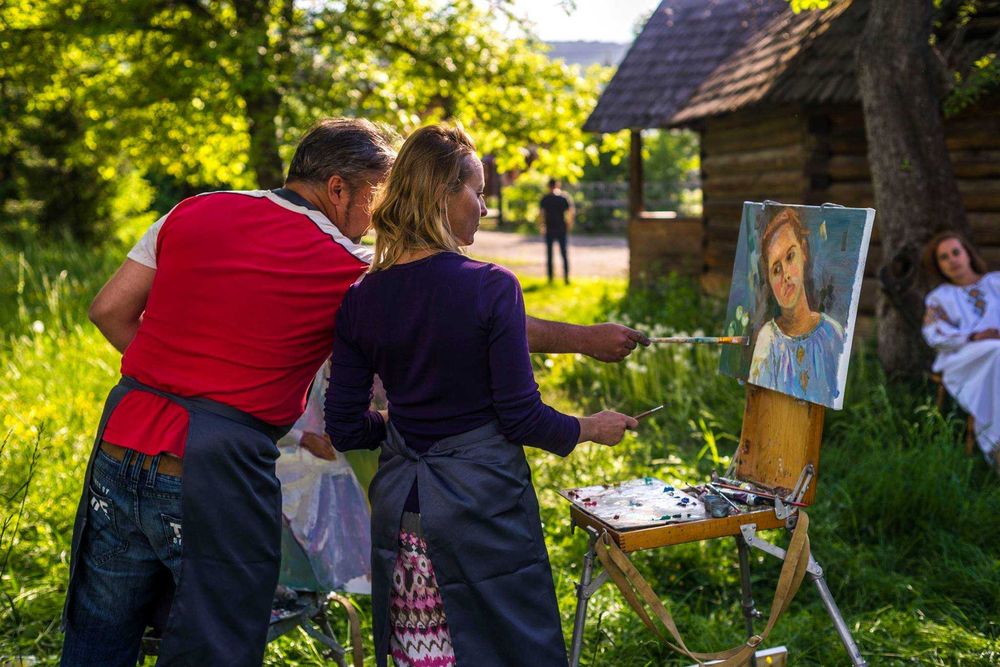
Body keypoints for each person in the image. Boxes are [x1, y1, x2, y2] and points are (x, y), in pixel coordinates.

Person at [68, 118, 648, 666]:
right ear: (339, 188)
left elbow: (109, 311)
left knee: (99, 628)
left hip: (122, 438)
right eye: (377, 193)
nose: (380, 215)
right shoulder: (347, 266)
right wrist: (582, 340)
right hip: (214, 463)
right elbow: (459, 309)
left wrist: (180, 377)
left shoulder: (193, 211)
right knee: (212, 640)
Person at [324, 125, 637, 667]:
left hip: (403, 512)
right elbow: (522, 418)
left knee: (425, 655)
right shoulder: (491, 286)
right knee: (509, 648)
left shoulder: (361, 298)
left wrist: (396, 429)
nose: (486, 209)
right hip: (481, 510)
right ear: (445, 191)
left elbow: (347, 428)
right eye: (479, 191)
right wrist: (590, 427)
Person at [748, 207, 845, 405]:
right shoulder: (768, 340)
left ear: (804, 252)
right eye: (776, 269)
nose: (786, 275)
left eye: (790, 256)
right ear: (769, 280)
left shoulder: (832, 333)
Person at [921, 231, 1000, 467]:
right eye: (944, 257)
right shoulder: (939, 298)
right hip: (963, 357)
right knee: (996, 352)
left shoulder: (996, 282)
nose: (952, 260)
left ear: (967, 253)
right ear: (939, 266)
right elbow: (934, 334)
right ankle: (996, 445)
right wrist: (973, 335)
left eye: (956, 252)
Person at [539, 177, 574, 284]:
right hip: (561, 228)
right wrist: (569, 225)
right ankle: (566, 278)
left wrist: (542, 226)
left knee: (550, 254)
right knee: (563, 253)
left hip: (550, 228)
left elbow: (541, 214)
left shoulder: (545, 198)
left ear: (548, 186)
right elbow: (570, 212)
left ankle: (550, 278)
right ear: (557, 185)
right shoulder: (563, 198)